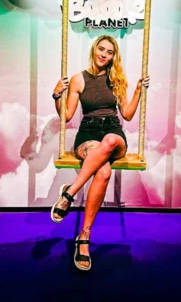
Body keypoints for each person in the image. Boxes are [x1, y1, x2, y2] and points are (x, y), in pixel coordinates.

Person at [51, 35, 150, 271]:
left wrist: (137, 90)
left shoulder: (117, 79)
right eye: (101, 49)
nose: (104, 54)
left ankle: (70, 191)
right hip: (88, 134)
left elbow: (126, 114)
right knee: (103, 172)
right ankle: (83, 239)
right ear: (94, 49)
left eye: (110, 52)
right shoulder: (78, 79)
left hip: (113, 134)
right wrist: (57, 96)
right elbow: (65, 116)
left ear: (114, 57)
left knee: (110, 139)